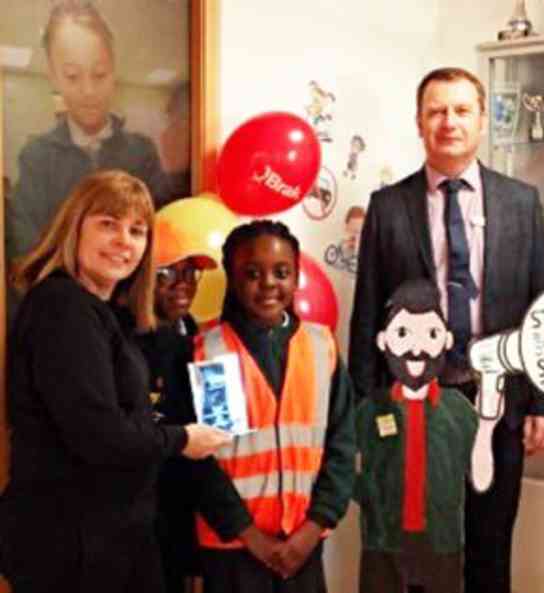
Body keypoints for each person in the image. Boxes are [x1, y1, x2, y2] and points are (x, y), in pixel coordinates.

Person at [349, 66, 544, 593]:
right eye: (437, 111)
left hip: (500, 403)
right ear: (419, 123)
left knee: (490, 551)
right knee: (420, 554)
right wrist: (363, 413)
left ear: (483, 120)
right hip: (415, 408)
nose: (449, 122)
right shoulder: (388, 206)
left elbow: (543, 307)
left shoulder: (521, 202)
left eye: (462, 110)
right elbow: (367, 313)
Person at [0, 169, 231, 593]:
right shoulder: (63, 307)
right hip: (72, 545)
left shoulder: (102, 315)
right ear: (75, 228)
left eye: (137, 230)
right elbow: (99, 434)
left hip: (116, 539)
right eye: (108, 224)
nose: (125, 241)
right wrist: (182, 439)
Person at [193, 220, 356, 593]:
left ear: (297, 276)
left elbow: (342, 446)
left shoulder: (321, 347)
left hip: (304, 546)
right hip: (235, 549)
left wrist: (312, 530)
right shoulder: (214, 354)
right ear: (232, 279)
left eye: (281, 272)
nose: (268, 283)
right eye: (252, 273)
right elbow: (204, 461)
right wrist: (253, 538)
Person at [6, 0, 172, 262]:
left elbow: (161, 238)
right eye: (72, 76)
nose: (88, 91)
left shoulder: (141, 153)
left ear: (114, 71)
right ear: (54, 76)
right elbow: (27, 247)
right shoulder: (37, 157)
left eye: (99, 74)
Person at [356, 279, 478, 593]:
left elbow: (480, 475)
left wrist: (489, 420)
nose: (416, 347)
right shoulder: (370, 410)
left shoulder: (459, 410)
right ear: (384, 341)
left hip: (442, 542)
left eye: (431, 334)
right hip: (383, 542)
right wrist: (369, 494)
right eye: (403, 333)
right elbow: (342, 463)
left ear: (446, 340)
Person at [133, 218, 225, 593]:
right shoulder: (126, 339)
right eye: (169, 272)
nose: (183, 283)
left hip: (190, 497)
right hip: (142, 502)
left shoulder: (198, 335)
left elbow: (218, 419)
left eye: (190, 273)